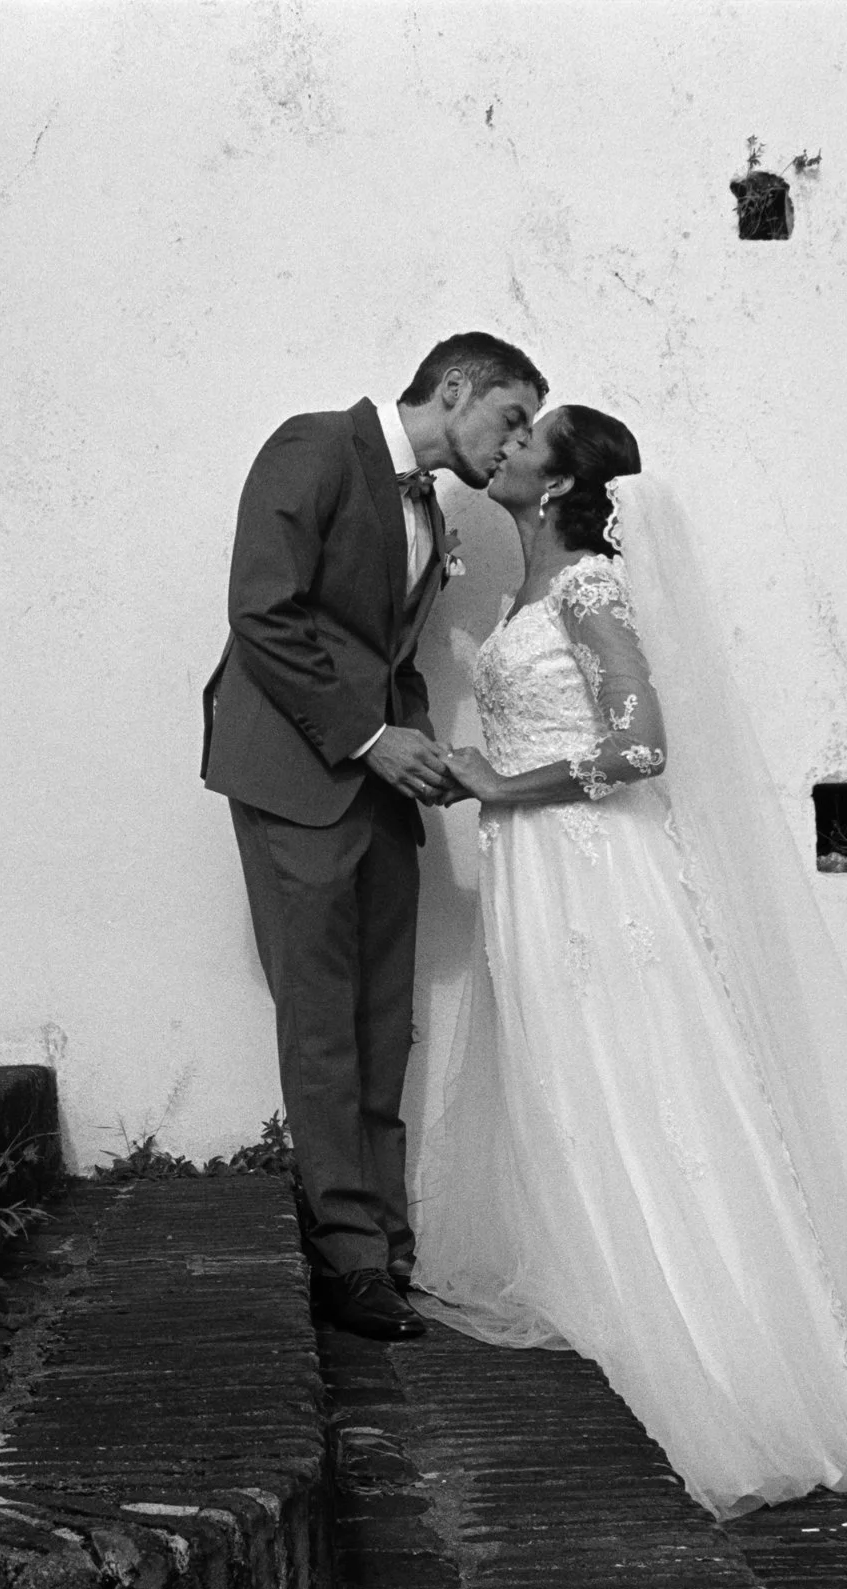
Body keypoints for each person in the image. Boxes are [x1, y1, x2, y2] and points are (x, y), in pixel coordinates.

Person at [412, 404, 847, 1542]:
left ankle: (715, 1362)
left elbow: (641, 739)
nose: (505, 449)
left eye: (527, 444)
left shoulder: (589, 589)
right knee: (570, 1078)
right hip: (538, 872)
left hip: (594, 868)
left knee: (637, 1077)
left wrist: (500, 785)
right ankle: (610, 1299)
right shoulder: (528, 590)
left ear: (559, 489)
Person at [202, 332, 547, 1342]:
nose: (516, 443)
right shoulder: (311, 447)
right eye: (510, 416)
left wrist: (419, 753)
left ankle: (386, 1241)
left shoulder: (431, 506)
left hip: (380, 790)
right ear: (453, 388)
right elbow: (262, 614)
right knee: (320, 1018)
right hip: (294, 774)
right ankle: (345, 1254)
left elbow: (381, 654)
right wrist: (365, 739)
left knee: (380, 1017)